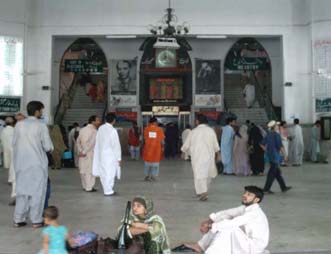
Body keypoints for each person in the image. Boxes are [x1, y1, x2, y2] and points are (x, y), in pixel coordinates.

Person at [183, 186, 269, 254]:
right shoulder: (246, 208)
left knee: (228, 227)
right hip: (245, 242)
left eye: (249, 195)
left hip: (253, 248)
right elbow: (227, 213)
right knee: (224, 220)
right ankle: (200, 246)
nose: (244, 195)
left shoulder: (254, 213)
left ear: (256, 200)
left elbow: (233, 223)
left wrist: (210, 226)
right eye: (245, 193)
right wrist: (210, 220)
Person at [13, 101, 54, 228]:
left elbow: (14, 142)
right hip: (36, 164)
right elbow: (48, 146)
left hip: (21, 163)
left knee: (22, 192)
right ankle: (36, 220)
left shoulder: (19, 125)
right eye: (41, 110)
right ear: (37, 111)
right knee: (37, 192)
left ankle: (18, 219)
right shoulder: (40, 125)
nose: (41, 113)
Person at [181, 114, 220, 201]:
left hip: (197, 156)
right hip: (209, 156)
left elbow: (187, 143)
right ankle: (202, 191)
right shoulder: (211, 131)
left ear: (197, 121)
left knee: (199, 174)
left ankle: (203, 192)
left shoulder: (193, 131)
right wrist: (218, 154)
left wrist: (183, 152)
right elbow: (216, 144)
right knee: (207, 174)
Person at [93, 113, 121, 196]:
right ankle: (108, 190)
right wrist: (118, 158)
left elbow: (97, 141)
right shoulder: (113, 131)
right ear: (114, 120)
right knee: (110, 173)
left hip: (101, 154)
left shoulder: (101, 128)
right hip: (110, 155)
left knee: (103, 172)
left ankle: (106, 188)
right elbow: (116, 145)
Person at [261, 120, 292, 194]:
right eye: (276, 125)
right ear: (273, 127)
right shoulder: (276, 135)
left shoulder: (268, 134)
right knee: (272, 173)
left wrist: (266, 150)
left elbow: (261, 144)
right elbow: (280, 146)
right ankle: (266, 189)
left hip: (270, 155)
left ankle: (283, 187)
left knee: (277, 173)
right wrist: (285, 155)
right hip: (275, 156)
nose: (278, 126)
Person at [77, 115, 101, 192]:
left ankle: (84, 186)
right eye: (97, 120)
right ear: (92, 121)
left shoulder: (82, 129)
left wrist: (80, 151)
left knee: (83, 170)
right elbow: (91, 143)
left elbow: (78, 141)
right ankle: (89, 187)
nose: (99, 122)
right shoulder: (94, 131)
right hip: (89, 153)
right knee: (89, 171)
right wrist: (84, 152)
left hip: (82, 153)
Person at [142, 117, 165, 181]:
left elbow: (144, 138)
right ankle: (153, 176)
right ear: (155, 122)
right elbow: (162, 140)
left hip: (148, 149)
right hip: (156, 149)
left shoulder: (146, 129)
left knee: (147, 163)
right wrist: (163, 146)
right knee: (155, 164)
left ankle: (146, 176)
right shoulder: (159, 129)